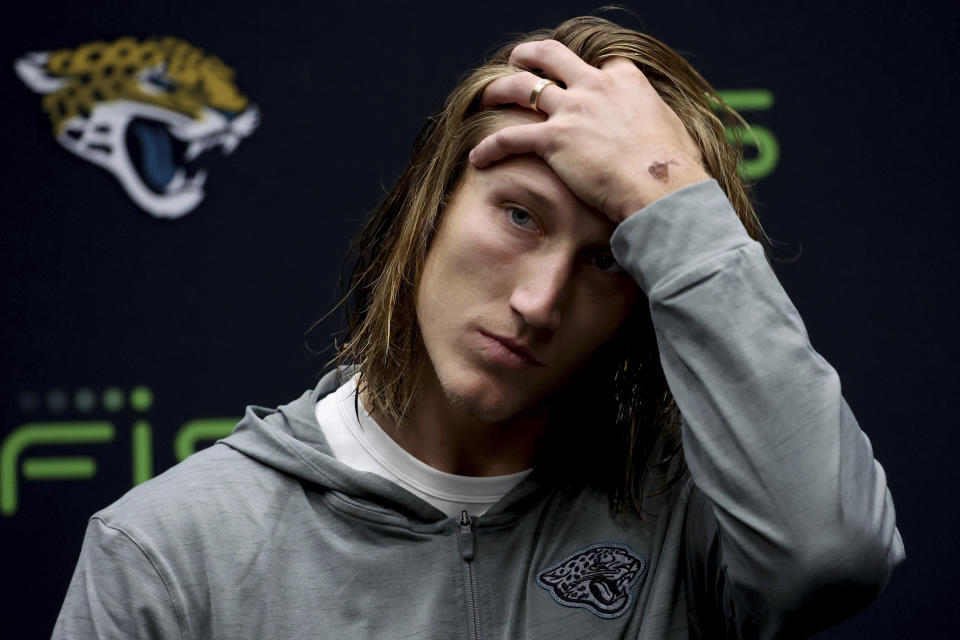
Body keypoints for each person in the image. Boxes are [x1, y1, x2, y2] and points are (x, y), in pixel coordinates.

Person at [53, 15, 904, 639]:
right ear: (429, 206)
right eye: (520, 218)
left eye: (608, 260)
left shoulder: (694, 519)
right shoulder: (170, 552)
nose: (539, 302)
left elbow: (831, 556)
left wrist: (670, 189)